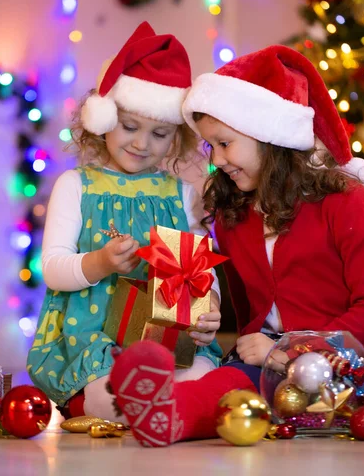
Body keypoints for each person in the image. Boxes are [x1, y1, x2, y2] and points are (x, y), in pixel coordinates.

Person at [109, 44, 364, 447]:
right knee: (227, 384)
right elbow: (247, 316)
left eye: (224, 143)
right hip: (269, 368)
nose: (216, 159)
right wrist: (209, 320)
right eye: (210, 147)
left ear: (267, 136)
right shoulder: (233, 215)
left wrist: (294, 349)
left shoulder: (346, 201)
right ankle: (163, 412)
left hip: (354, 364)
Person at [27, 22, 222, 421]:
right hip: (93, 340)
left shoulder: (181, 193)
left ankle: (167, 408)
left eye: (159, 133)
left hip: (166, 340)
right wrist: (99, 262)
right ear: (104, 117)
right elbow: (52, 269)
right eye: (130, 126)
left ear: (176, 138)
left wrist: (210, 307)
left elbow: (201, 271)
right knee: (110, 394)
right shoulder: (76, 185)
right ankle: (133, 408)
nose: (141, 143)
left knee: (203, 378)